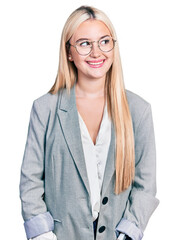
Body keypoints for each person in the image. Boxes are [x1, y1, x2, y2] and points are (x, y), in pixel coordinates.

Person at [19, 5, 159, 240]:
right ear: (69, 53)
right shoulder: (45, 108)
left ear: (113, 47)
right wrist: (43, 235)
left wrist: (128, 233)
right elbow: (30, 181)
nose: (96, 52)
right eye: (85, 43)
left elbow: (146, 185)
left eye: (104, 42)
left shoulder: (139, 110)